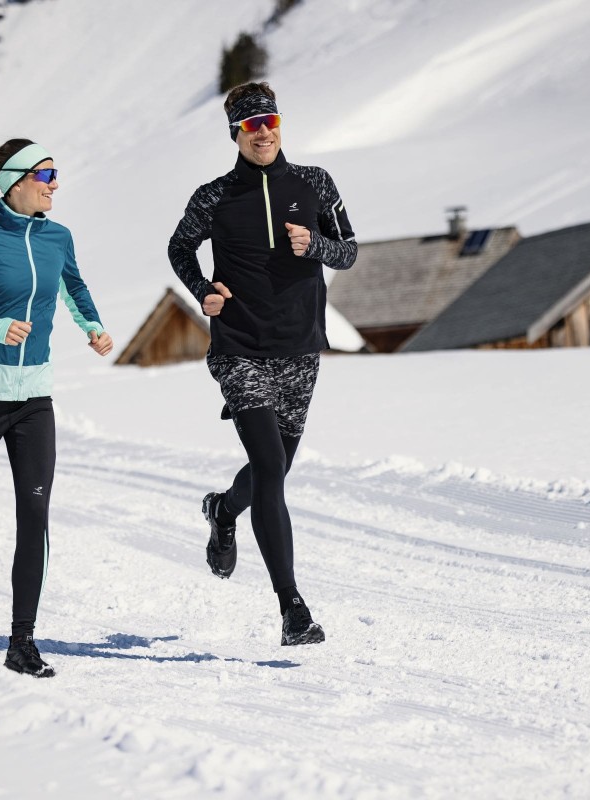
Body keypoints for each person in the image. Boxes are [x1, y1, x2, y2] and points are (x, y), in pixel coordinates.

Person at [168, 82, 357, 646]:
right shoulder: (215, 196)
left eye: (270, 122)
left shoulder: (315, 183)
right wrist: (205, 290)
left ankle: (224, 510)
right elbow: (180, 247)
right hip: (240, 348)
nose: (263, 133)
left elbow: (348, 251)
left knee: (275, 468)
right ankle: (292, 609)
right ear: (235, 133)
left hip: (300, 349)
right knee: (271, 468)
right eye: (251, 126)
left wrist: (316, 246)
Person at [0, 139, 113, 677]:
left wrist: (93, 326)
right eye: (45, 175)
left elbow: (73, 285)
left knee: (35, 515)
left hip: (34, 398)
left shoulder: (58, 237)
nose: (55, 184)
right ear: (15, 181)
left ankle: (21, 642)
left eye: (56, 174)